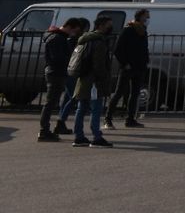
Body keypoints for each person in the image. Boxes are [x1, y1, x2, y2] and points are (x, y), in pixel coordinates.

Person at [69, 14, 117, 148]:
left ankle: (79, 137)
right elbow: (99, 65)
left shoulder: (84, 39)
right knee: (95, 109)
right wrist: (103, 79)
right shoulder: (99, 42)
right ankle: (97, 136)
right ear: (101, 26)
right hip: (94, 82)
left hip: (83, 79)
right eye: (109, 24)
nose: (111, 27)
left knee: (81, 108)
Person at [37, 17, 81, 142]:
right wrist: (70, 61)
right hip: (56, 73)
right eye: (74, 30)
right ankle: (44, 131)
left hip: (55, 72)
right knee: (50, 103)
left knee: (51, 103)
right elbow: (58, 58)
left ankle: (45, 130)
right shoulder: (58, 38)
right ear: (70, 27)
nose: (73, 34)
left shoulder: (56, 37)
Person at [108, 8, 150, 129]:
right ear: (140, 16)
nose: (147, 20)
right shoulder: (128, 30)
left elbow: (143, 49)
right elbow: (118, 49)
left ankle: (130, 119)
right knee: (119, 92)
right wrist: (125, 63)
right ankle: (108, 118)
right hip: (128, 67)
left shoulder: (143, 31)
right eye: (146, 17)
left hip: (140, 66)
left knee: (135, 94)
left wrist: (145, 61)